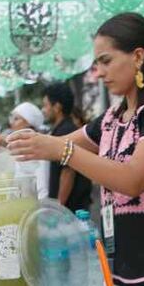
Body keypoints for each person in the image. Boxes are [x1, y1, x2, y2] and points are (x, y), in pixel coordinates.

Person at [2, 12, 144, 286]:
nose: (98, 72)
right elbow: (53, 143)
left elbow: (133, 179)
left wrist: (64, 151)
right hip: (123, 275)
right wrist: (1, 142)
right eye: (96, 63)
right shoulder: (111, 119)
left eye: (106, 61)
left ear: (137, 57)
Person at [42, 81, 93, 211]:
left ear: (57, 107)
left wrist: (58, 208)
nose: (43, 110)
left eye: (45, 105)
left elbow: (68, 173)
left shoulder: (66, 131)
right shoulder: (61, 129)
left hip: (70, 210)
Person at [9, 101, 50, 199]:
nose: (12, 123)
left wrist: (38, 213)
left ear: (28, 123)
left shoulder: (38, 148)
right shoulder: (17, 147)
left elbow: (43, 189)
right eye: (11, 118)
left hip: (33, 208)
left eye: (16, 119)